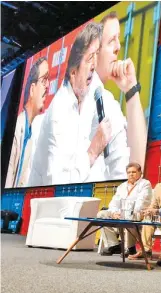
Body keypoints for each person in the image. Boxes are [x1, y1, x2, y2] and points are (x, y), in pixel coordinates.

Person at [29, 22, 113, 186]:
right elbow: (57, 182)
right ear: (73, 72)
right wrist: (94, 149)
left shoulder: (88, 90)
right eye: (90, 58)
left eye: (97, 55)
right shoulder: (59, 113)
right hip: (49, 205)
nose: (94, 65)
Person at [90, 11, 148, 177]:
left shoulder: (108, 101)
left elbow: (135, 167)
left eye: (118, 38)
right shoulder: (102, 102)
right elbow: (136, 169)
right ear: (95, 52)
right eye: (111, 41)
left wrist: (131, 89)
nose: (118, 47)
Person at [5, 57, 49, 187]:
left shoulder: (30, 132)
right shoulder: (17, 130)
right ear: (32, 89)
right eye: (44, 80)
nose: (48, 86)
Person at [128, 162, 161, 261]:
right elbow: (153, 205)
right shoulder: (158, 186)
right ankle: (146, 250)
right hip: (160, 218)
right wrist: (149, 210)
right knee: (148, 218)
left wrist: (157, 211)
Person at [97, 162, 152, 256]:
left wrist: (124, 214)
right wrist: (114, 213)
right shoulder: (122, 186)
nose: (131, 174)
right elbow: (113, 203)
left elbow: (141, 204)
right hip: (120, 215)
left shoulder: (145, 184)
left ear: (140, 172)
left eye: (134, 172)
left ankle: (130, 247)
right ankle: (113, 245)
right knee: (101, 214)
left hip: (137, 216)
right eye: (129, 172)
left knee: (130, 216)